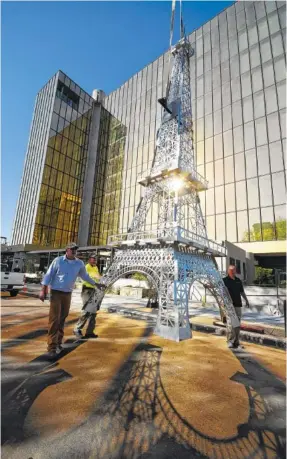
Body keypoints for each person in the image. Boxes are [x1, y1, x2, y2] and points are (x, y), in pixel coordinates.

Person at [39, 243, 104, 359]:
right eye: (72, 249)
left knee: (63, 318)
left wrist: (96, 284)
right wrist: (43, 290)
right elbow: (48, 275)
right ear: (67, 250)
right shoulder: (58, 261)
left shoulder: (79, 263)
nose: (74, 251)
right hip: (56, 292)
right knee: (54, 319)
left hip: (67, 293)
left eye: (76, 249)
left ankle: (58, 343)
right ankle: (51, 347)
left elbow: (85, 276)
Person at [73, 253, 102, 339]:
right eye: (93, 258)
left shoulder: (96, 267)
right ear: (89, 259)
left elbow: (98, 278)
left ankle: (89, 332)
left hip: (94, 290)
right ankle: (77, 329)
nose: (94, 260)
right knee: (86, 310)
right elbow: (90, 276)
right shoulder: (86, 267)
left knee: (93, 312)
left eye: (95, 259)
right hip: (87, 290)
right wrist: (98, 278)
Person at [223, 265, 250, 349]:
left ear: (235, 271)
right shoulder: (224, 280)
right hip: (229, 305)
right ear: (228, 271)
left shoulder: (238, 280)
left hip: (238, 304)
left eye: (233, 270)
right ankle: (230, 341)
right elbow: (218, 289)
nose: (232, 272)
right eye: (230, 270)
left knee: (237, 324)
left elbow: (242, 292)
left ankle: (236, 341)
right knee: (231, 323)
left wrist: (246, 300)